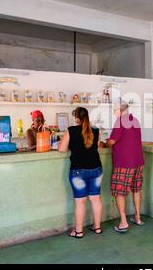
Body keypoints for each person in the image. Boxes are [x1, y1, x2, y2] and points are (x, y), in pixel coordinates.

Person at [58, 107, 103, 239]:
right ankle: (97, 227)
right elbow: (98, 145)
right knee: (96, 199)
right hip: (97, 169)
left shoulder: (71, 130)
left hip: (78, 171)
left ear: (77, 118)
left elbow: (61, 149)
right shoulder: (95, 130)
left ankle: (78, 232)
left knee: (80, 202)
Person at [104, 100, 145, 233]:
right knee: (136, 189)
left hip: (124, 163)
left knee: (119, 191)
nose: (113, 113)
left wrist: (105, 144)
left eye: (114, 110)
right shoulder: (135, 120)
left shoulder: (120, 121)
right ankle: (138, 217)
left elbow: (112, 141)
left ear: (119, 110)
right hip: (138, 161)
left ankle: (123, 222)